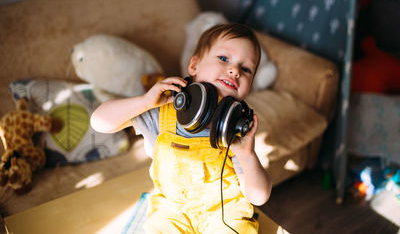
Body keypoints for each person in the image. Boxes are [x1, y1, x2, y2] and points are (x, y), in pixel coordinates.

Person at [91, 23, 272, 233]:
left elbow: (258, 196)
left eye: (246, 69)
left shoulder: (234, 130)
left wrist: (247, 155)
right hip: (172, 210)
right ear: (194, 66)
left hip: (223, 211)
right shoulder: (163, 108)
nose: (234, 70)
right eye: (224, 59)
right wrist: (145, 102)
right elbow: (99, 122)